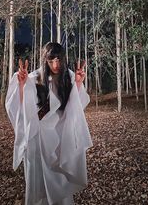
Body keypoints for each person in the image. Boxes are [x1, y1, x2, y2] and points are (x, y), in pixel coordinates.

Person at [6, 42, 93, 205]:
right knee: (38, 185)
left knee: (60, 187)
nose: (55, 65)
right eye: (50, 60)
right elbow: (23, 108)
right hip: (38, 141)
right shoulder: (34, 78)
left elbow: (77, 107)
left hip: (60, 141)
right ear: (45, 60)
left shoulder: (70, 77)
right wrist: (22, 85)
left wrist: (79, 84)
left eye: (58, 60)